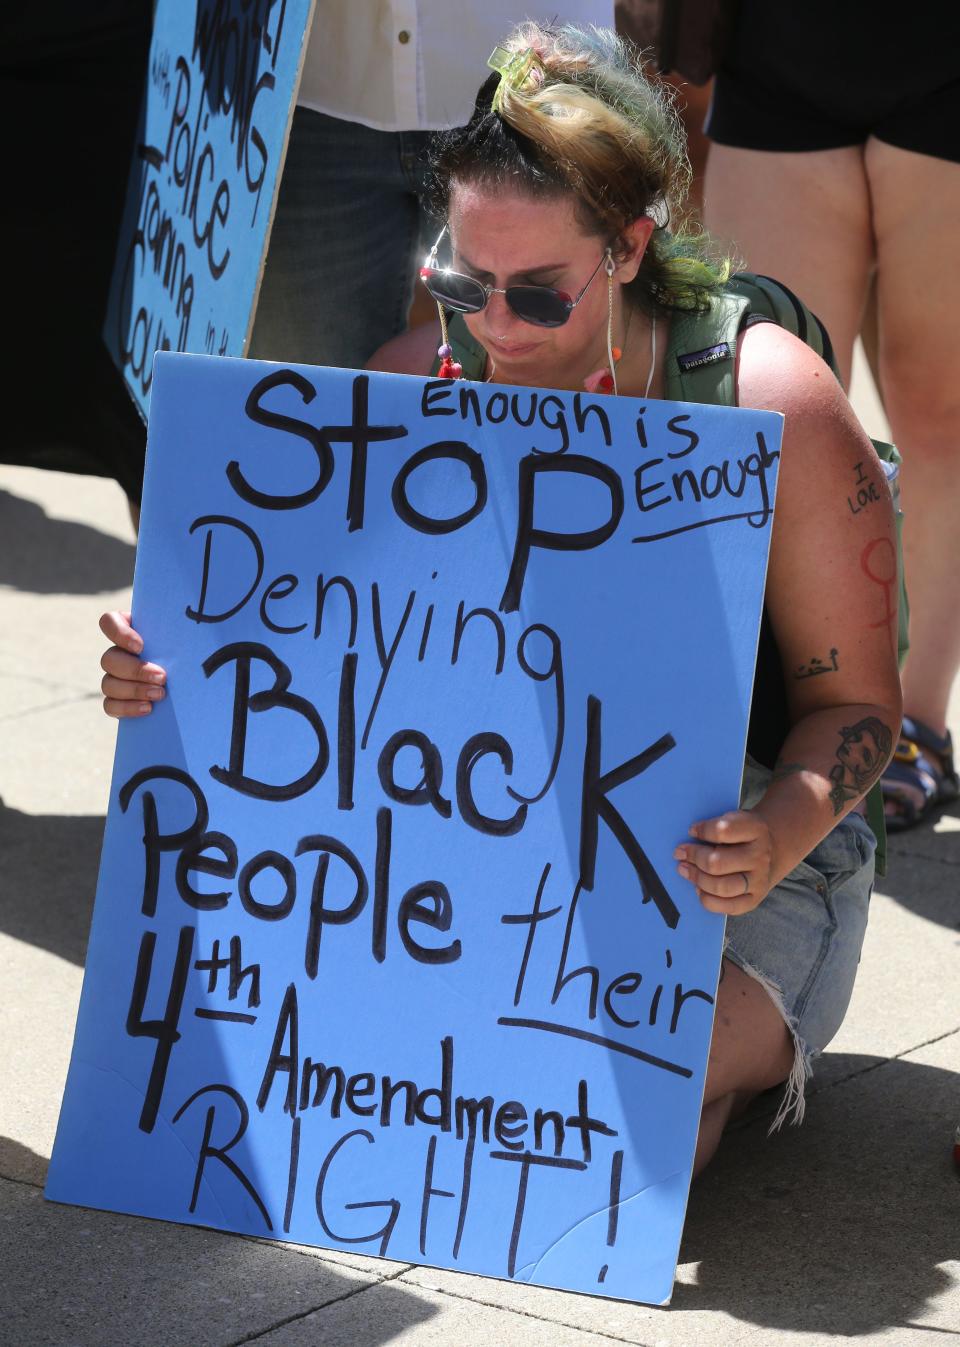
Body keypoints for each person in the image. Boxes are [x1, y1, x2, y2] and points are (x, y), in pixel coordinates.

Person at [98, 22, 902, 1173]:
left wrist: (773, 837)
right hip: (503, 827)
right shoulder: (422, 377)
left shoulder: (761, 395)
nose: (494, 327)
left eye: (537, 294)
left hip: (739, 816)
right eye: (463, 282)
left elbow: (860, 706)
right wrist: (162, 678)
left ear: (629, 249)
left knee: (636, 1107)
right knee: (544, 1110)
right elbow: (289, 653)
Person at [702, 2, 960, 830]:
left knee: (942, 413)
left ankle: (914, 721)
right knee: (758, 407)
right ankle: (786, 725)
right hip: (777, 50)